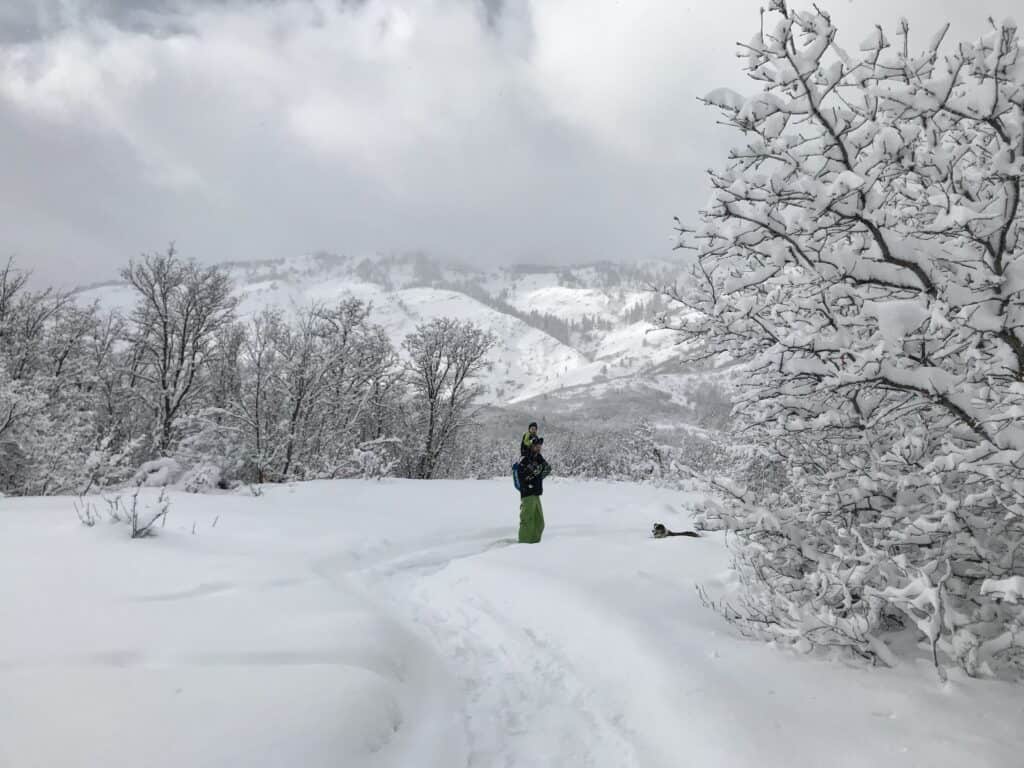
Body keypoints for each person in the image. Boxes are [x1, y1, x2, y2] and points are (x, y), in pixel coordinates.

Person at [516, 436, 551, 544]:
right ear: (531, 446)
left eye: (540, 446)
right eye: (536, 446)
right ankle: (523, 544)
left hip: (536, 493)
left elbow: (548, 468)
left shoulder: (538, 457)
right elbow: (522, 476)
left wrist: (539, 476)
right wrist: (534, 474)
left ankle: (535, 545)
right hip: (527, 494)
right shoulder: (525, 458)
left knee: (539, 522)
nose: (539, 448)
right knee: (527, 521)